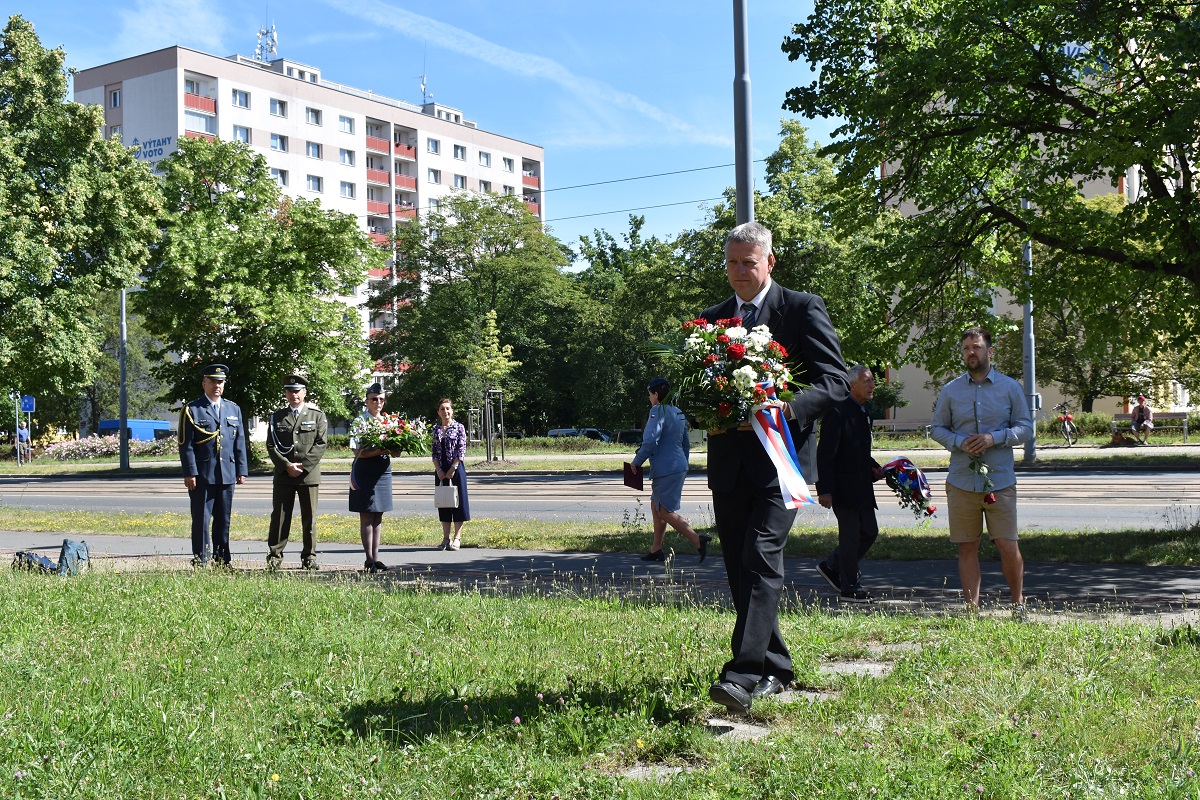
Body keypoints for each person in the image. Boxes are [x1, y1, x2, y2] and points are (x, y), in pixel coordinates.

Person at [702, 222, 850, 714]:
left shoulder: (802, 308)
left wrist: (787, 409)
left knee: (762, 555)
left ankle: (742, 673)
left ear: (770, 262)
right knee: (738, 567)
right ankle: (777, 668)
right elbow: (705, 391)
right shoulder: (712, 319)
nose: (739, 271)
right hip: (728, 463)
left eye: (749, 262)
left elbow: (836, 381)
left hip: (780, 461)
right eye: (732, 262)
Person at [930, 327, 1033, 615]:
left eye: (976, 347)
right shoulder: (951, 390)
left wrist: (994, 438)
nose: (970, 353)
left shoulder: (1010, 388)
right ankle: (971, 609)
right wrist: (960, 442)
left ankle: (1018, 605)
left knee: (1006, 543)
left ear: (990, 351)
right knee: (967, 547)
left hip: (999, 480)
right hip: (962, 479)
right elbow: (937, 428)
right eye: (966, 348)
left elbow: (1025, 428)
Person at [814, 366, 885, 602]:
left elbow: (859, 452)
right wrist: (824, 490)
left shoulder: (864, 411)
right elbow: (825, 454)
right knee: (851, 538)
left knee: (869, 532)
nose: (872, 385)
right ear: (852, 384)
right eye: (867, 381)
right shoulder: (837, 412)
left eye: (873, 381)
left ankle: (832, 566)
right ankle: (850, 588)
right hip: (843, 490)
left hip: (862, 487)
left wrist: (876, 468)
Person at [629, 377, 711, 562]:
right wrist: (683, 463)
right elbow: (685, 443)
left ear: (656, 394)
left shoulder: (657, 411)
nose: (650, 398)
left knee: (664, 511)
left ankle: (697, 540)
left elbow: (650, 441)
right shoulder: (678, 411)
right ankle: (656, 549)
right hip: (677, 465)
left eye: (650, 395)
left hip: (666, 468)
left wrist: (636, 462)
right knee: (655, 504)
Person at [178, 363, 249, 567]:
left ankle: (221, 559)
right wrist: (190, 473)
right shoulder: (192, 409)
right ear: (204, 384)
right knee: (201, 519)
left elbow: (239, 441)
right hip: (202, 475)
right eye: (213, 382)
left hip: (227, 474)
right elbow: (186, 445)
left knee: (223, 520)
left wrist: (241, 470)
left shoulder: (233, 408)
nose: (217, 385)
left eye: (221, 382)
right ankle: (201, 558)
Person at [265, 375, 329, 571]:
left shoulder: (316, 415)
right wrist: (286, 466)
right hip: (284, 475)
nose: (294, 394)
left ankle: (309, 557)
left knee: (309, 518)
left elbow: (321, 443)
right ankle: (275, 557)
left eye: (298, 391)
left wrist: (302, 466)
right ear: (286, 393)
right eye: (290, 391)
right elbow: (271, 445)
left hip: (308, 476)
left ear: (304, 392)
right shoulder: (277, 416)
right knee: (280, 517)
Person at [350, 383, 394, 573]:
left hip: (383, 470)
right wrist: (380, 450)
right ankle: (368, 559)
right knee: (367, 514)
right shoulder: (360, 422)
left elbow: (395, 447)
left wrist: (397, 449)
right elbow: (357, 451)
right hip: (365, 470)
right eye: (374, 399)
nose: (378, 402)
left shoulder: (389, 422)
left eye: (381, 399)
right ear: (367, 401)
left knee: (378, 514)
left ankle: (376, 558)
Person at [432, 397, 470, 550]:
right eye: (442, 409)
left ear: (452, 411)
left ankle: (457, 538)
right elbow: (434, 452)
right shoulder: (435, 429)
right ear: (438, 412)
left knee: (458, 503)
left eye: (448, 408)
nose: (445, 411)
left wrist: (453, 468)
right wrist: (439, 470)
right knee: (444, 503)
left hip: (456, 469)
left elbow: (461, 450)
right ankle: (445, 538)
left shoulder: (459, 427)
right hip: (441, 470)